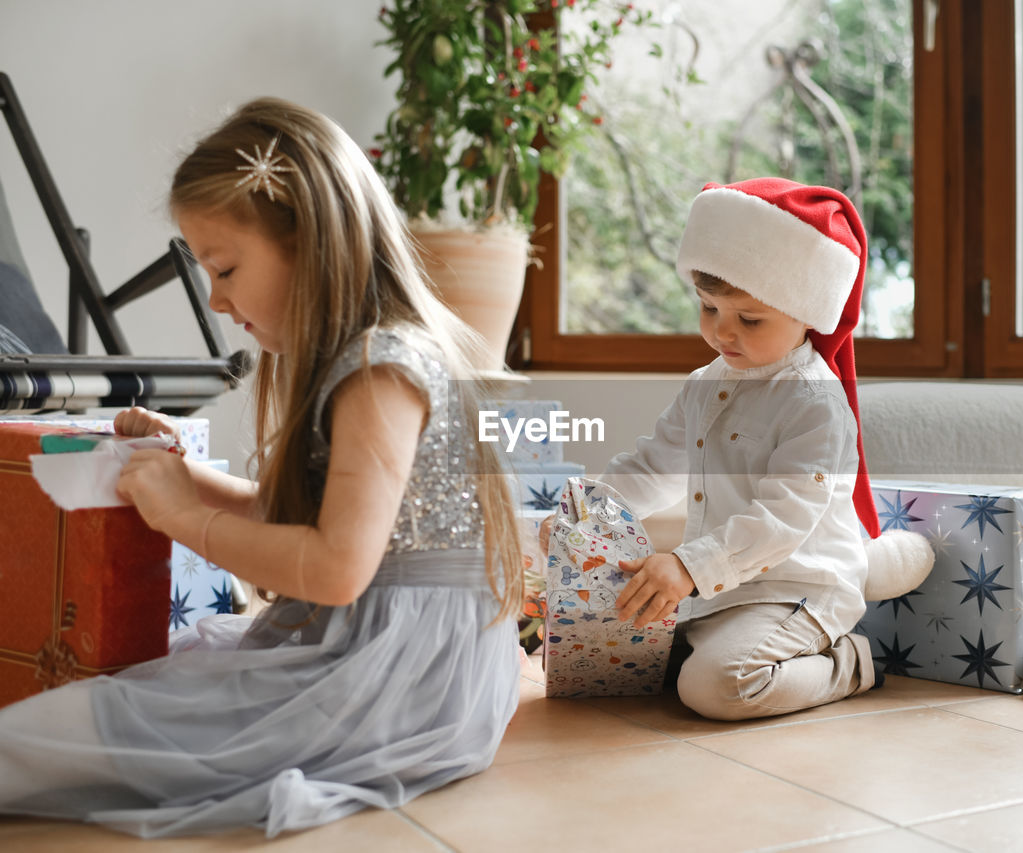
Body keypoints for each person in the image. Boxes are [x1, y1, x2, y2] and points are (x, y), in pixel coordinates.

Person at [0, 98, 524, 837]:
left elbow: (335, 567)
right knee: (123, 689)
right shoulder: (369, 355)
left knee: (55, 732)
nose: (216, 299)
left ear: (307, 240)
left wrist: (186, 518)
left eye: (225, 268)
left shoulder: (382, 367)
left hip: (391, 680)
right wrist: (185, 481)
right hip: (388, 659)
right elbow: (305, 526)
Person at [543, 178, 930, 721]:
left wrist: (686, 565)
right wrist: (583, 516)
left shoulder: (813, 402)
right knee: (620, 663)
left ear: (806, 312)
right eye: (708, 309)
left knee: (717, 688)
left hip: (796, 590)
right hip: (718, 590)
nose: (724, 334)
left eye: (749, 319)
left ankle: (849, 662)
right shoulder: (708, 383)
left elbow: (783, 518)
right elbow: (654, 465)